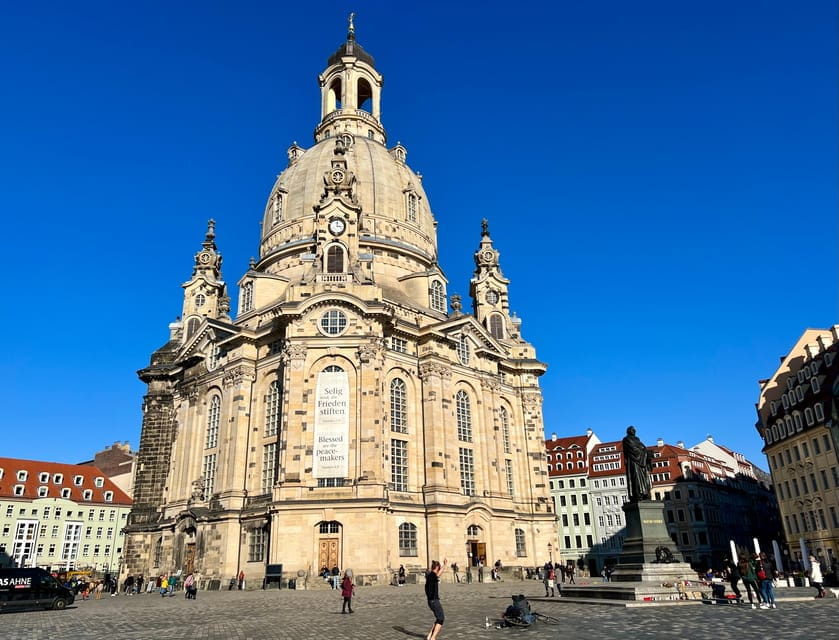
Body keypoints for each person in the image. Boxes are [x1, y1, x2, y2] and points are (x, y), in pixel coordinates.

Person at [622, 425, 653, 501]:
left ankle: (645, 493)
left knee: (644, 478)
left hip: (642, 462)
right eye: (632, 430)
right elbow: (633, 450)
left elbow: (643, 447)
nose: (634, 431)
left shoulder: (637, 439)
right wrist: (644, 453)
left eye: (634, 430)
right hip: (633, 461)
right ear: (629, 431)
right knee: (636, 478)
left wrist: (647, 453)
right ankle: (637, 493)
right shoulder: (626, 439)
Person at [425, 559, 448, 640]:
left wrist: (444, 565)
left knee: (438, 618)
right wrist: (445, 565)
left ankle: (429, 636)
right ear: (437, 567)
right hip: (434, 600)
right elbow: (439, 574)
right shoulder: (433, 576)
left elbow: (438, 574)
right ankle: (433, 638)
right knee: (441, 618)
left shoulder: (429, 575)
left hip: (430, 601)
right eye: (439, 567)